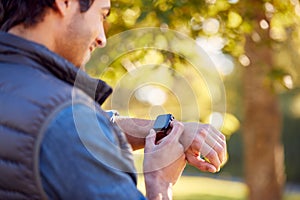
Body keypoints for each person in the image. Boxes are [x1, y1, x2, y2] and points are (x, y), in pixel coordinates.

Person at [0, 0, 227, 199]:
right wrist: (160, 182)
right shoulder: (65, 119)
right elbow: (68, 127)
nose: (102, 38)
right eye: (101, 15)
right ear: (64, 3)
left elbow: (88, 125)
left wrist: (167, 130)